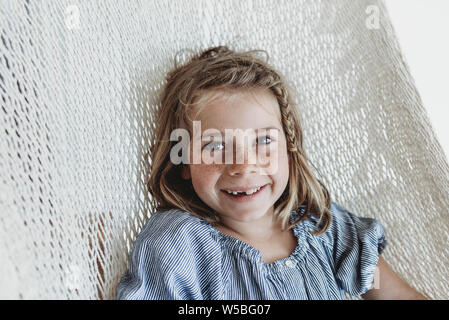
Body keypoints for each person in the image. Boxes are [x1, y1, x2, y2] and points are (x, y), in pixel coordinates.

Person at [116, 46, 427, 300]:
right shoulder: (179, 245)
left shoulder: (322, 226)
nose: (244, 166)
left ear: (288, 148)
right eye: (215, 146)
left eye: (264, 140)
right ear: (183, 161)